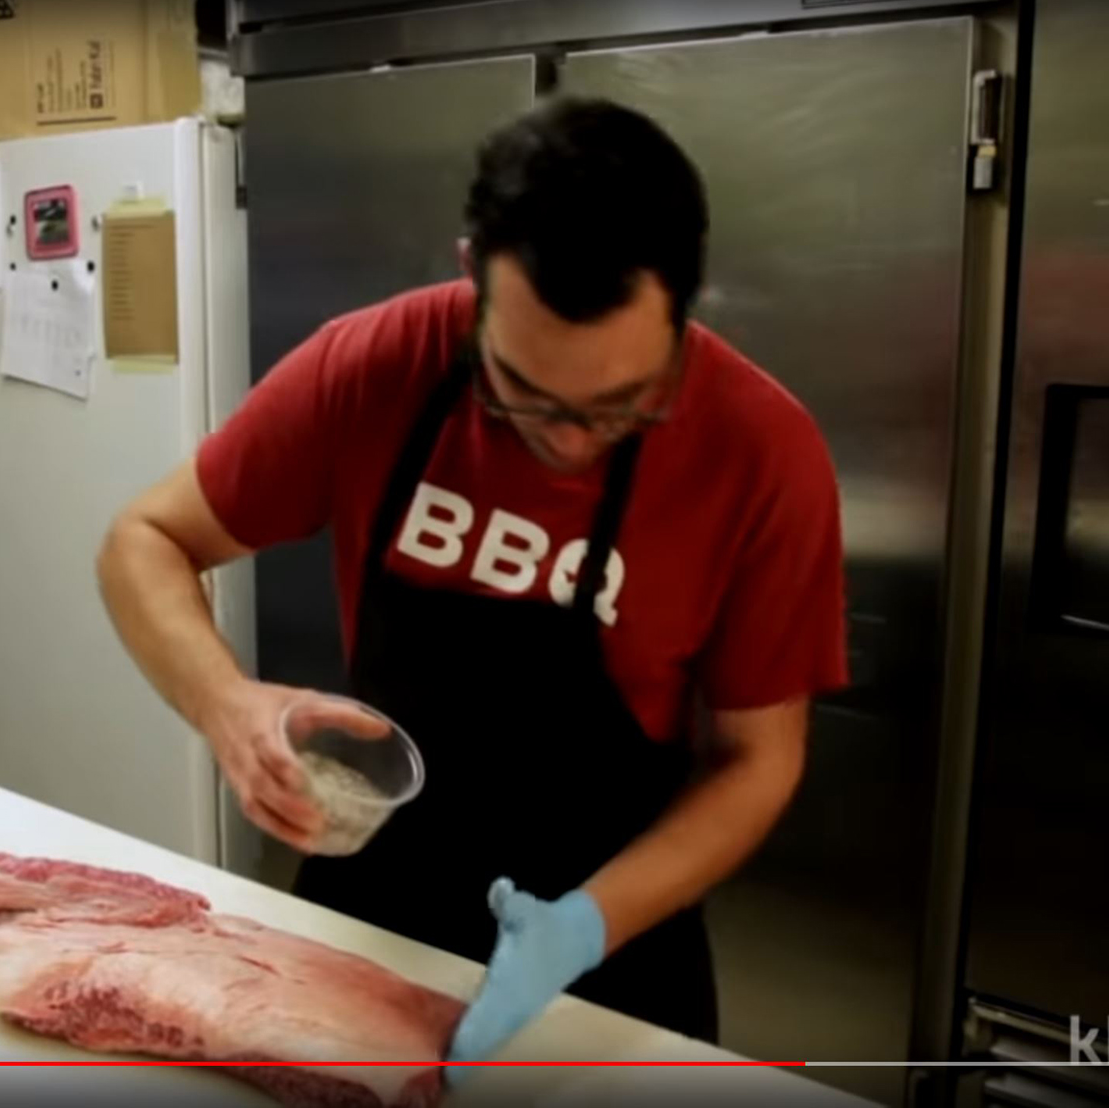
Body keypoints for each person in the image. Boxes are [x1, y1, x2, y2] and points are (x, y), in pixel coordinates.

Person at [96, 96, 848, 1066]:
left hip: (611, 946)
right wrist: (226, 706)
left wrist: (581, 926)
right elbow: (143, 539)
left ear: (683, 312)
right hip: (368, 919)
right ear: (470, 279)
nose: (569, 444)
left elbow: (759, 758)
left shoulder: (761, 453)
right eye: (521, 393)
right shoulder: (373, 366)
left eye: (621, 407)